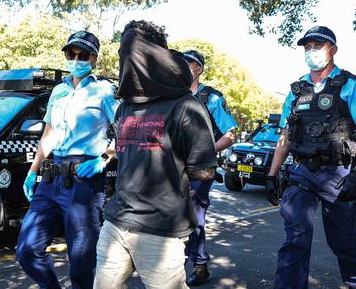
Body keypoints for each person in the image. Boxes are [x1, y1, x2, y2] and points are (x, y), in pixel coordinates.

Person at [94, 20, 218, 289]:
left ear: (158, 55)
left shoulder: (187, 107)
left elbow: (204, 172)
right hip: (115, 222)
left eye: (134, 50)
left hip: (161, 232)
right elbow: (124, 153)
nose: (127, 58)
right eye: (123, 52)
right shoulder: (123, 108)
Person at [265, 26, 356, 289]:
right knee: (295, 239)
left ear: (333, 50)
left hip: (337, 175)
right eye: (307, 47)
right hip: (302, 172)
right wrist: (272, 175)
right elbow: (285, 137)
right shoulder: (296, 91)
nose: (311, 51)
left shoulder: (350, 85)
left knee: (346, 242)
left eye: (318, 46)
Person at [16, 31, 119, 289]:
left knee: (81, 263)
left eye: (82, 55)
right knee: (27, 249)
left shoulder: (104, 90)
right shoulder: (58, 91)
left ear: (94, 59)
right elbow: (48, 135)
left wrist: (104, 157)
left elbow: (128, 131)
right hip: (51, 180)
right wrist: (33, 171)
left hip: (85, 181)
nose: (75, 59)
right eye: (70, 54)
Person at [182, 49, 237, 286]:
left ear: (199, 69)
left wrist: (204, 151)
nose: (185, 67)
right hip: (173, 167)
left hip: (200, 168)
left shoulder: (211, 98)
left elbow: (230, 136)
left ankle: (198, 263)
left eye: (190, 63)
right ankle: (185, 261)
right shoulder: (173, 96)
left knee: (193, 217)